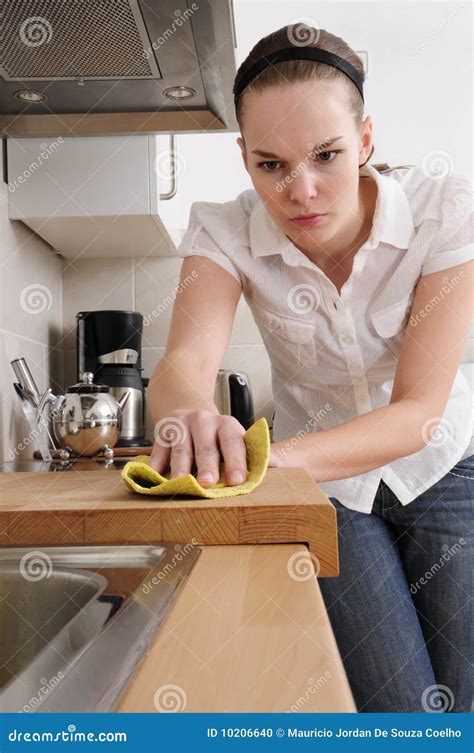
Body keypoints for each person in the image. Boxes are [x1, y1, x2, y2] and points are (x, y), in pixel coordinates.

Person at [147, 24, 473, 712]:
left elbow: (418, 412)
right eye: (271, 165)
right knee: (401, 708)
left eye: (326, 155)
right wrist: (188, 415)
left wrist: (265, 462)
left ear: (365, 140)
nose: (302, 191)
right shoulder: (223, 230)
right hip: (328, 495)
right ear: (243, 158)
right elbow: (183, 362)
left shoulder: (447, 210)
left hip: (448, 467)